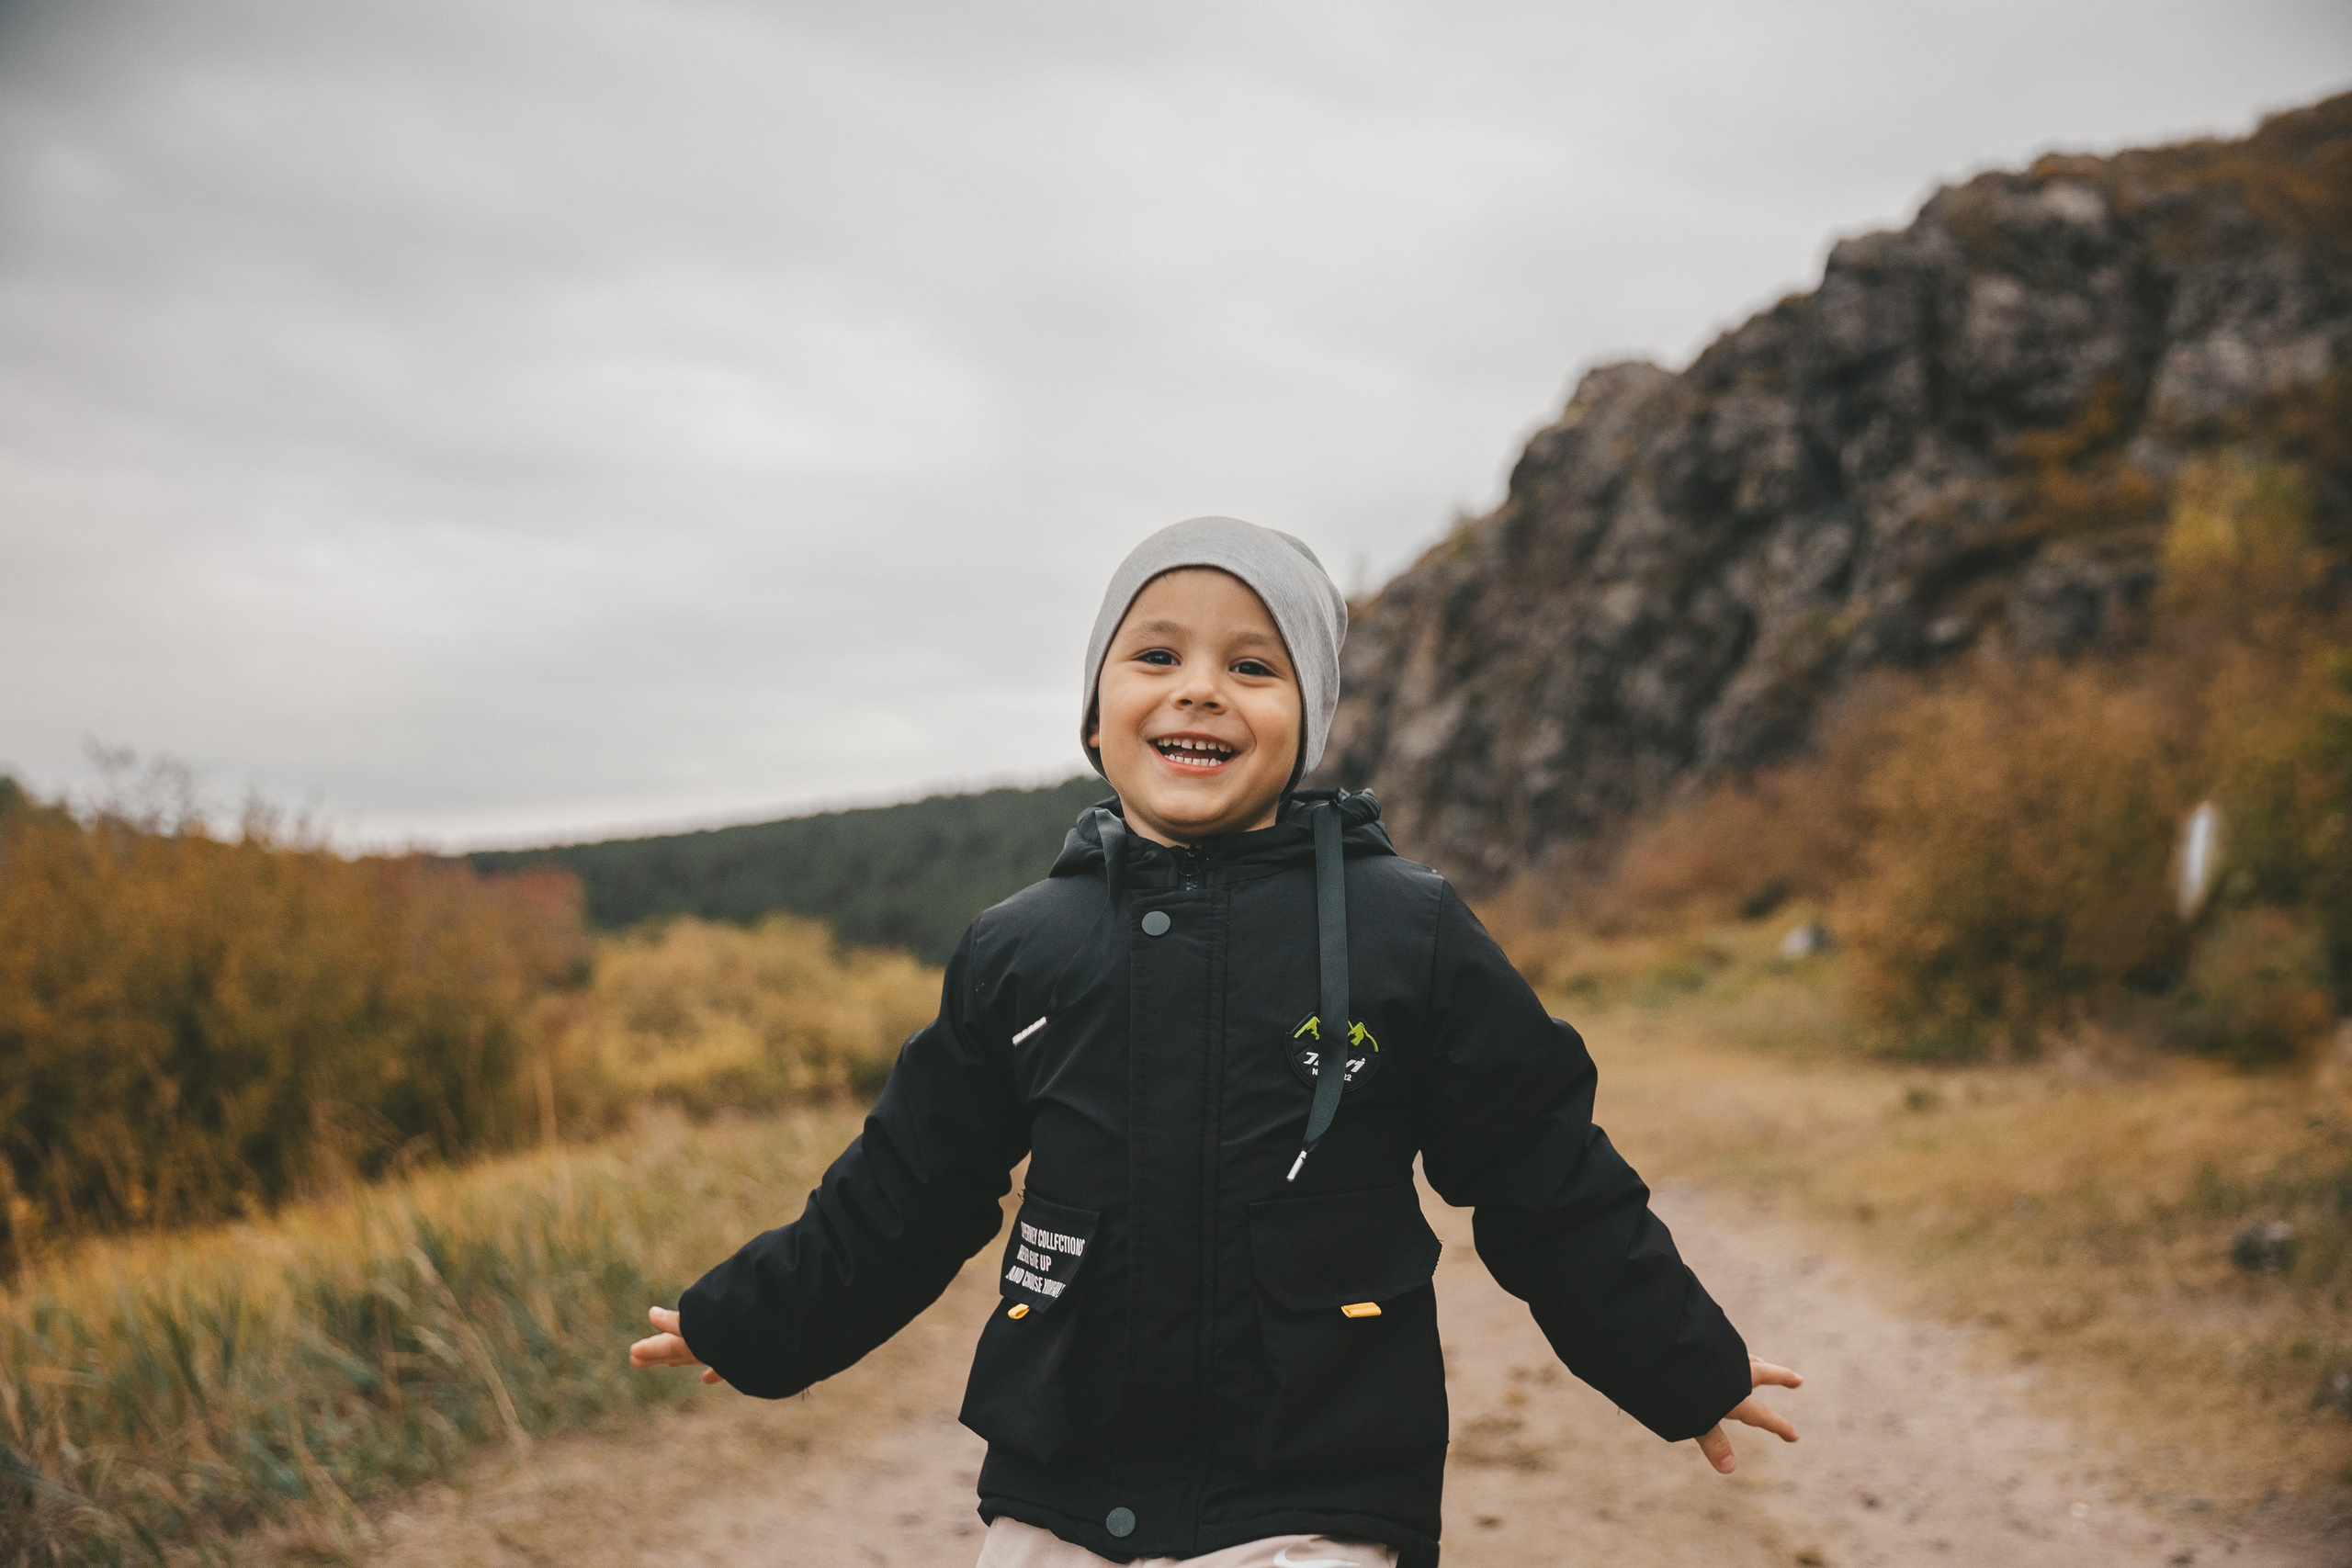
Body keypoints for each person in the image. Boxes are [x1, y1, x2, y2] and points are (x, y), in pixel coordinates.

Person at [630, 517, 1799, 1568]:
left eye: (1252, 667)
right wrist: (762, 1317)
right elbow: (907, 1187)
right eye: (1156, 656)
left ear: (1311, 722)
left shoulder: (1409, 929)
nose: (1199, 691)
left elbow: (1544, 1174)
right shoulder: (1020, 947)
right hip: (1058, 1492)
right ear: (1096, 712)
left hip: (1314, 1490)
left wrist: (1678, 1357)